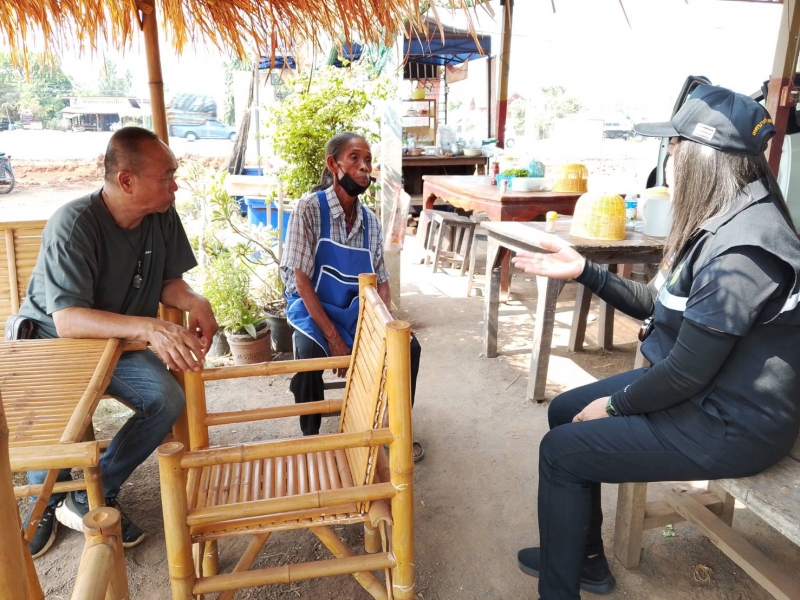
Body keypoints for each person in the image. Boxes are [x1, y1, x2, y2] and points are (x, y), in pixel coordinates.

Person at [511, 85, 800, 600]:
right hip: (705, 392)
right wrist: (584, 271)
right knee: (564, 412)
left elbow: (686, 373)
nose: (669, 156)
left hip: (729, 424)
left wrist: (615, 405)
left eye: (675, 145)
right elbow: (660, 304)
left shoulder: (744, 253)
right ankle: (584, 561)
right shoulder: (723, 219)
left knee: (562, 452)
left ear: (704, 158)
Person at [18, 126, 218, 558]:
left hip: (118, 341)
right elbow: (68, 319)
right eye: (167, 176)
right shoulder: (74, 224)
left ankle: (93, 491)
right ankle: (44, 501)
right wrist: (149, 328)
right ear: (127, 181)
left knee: (165, 399)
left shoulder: (161, 215)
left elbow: (168, 282)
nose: (175, 186)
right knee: (56, 418)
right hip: (52, 341)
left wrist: (194, 300)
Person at [280, 132, 424, 460]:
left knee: (408, 347)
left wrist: (386, 323)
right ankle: (311, 438)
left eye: (368, 160)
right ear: (334, 165)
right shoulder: (309, 209)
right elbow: (301, 281)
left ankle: (394, 428)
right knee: (310, 353)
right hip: (313, 308)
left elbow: (381, 282)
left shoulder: (370, 222)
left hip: (355, 311)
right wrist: (333, 337)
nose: (364, 167)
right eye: (354, 158)